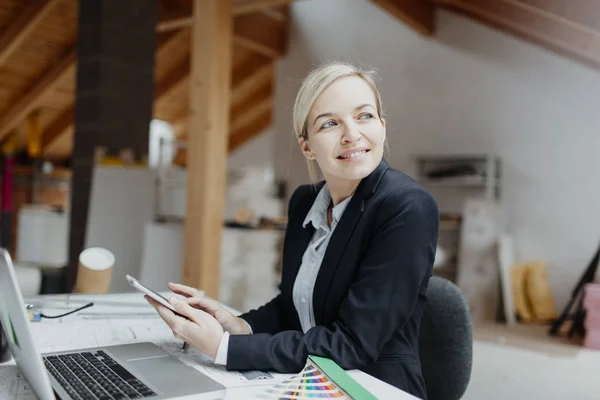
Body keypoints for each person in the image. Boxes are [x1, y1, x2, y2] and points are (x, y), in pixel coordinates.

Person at [146, 61, 439, 399]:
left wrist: (225, 348)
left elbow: (352, 344)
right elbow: (293, 307)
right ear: (307, 146)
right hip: (309, 377)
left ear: (382, 127)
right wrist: (238, 325)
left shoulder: (407, 206)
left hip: (370, 385)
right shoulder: (305, 202)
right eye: (330, 123)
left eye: (364, 116)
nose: (351, 134)